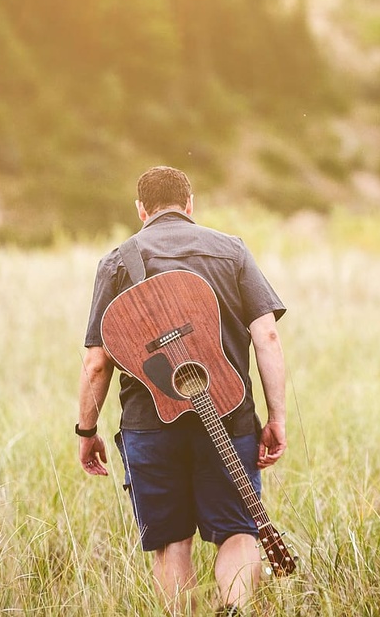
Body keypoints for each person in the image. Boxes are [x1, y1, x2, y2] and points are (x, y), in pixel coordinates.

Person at [77, 165, 287, 615]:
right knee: (238, 531)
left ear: (141, 211)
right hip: (229, 414)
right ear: (190, 205)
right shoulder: (231, 251)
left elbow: (97, 362)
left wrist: (86, 431)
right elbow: (267, 336)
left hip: (149, 425)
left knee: (173, 542)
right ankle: (234, 609)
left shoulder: (117, 262)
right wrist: (276, 417)